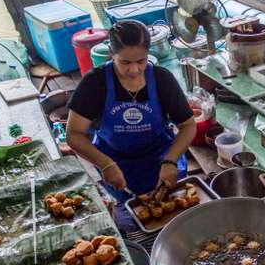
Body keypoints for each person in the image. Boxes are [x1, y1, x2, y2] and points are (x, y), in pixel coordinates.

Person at [66, 20, 196, 201]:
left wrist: (171, 160)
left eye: (141, 61)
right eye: (125, 62)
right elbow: (74, 134)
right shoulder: (95, 83)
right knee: (132, 211)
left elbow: (188, 125)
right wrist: (105, 164)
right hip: (115, 160)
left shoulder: (161, 79)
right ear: (112, 54)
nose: (134, 70)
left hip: (160, 156)